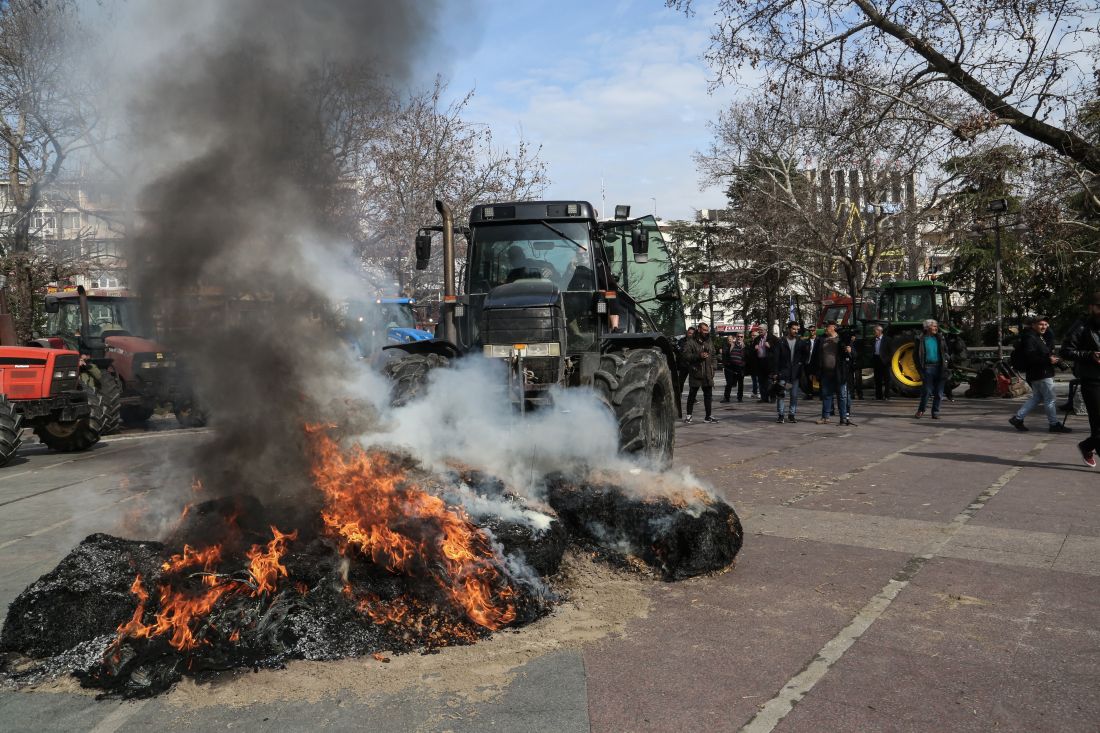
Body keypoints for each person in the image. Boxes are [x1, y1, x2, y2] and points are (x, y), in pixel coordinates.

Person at [1009, 316, 1072, 433]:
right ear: (1033, 325)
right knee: (1050, 399)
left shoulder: (1037, 337)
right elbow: (1031, 356)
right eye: (1041, 324)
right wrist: (1048, 360)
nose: (1044, 327)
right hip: (1041, 373)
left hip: (1037, 373)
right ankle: (1054, 424)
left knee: (1037, 398)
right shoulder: (1030, 338)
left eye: (1046, 324)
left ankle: (1017, 418)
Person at [1061, 292, 1100, 467]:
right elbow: (1066, 351)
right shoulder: (1082, 326)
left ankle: (1086, 445)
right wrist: (1089, 355)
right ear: (1091, 307)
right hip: (1092, 380)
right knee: (1098, 423)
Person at [810, 321, 854, 425]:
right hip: (825, 372)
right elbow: (815, 356)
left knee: (842, 396)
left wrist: (849, 350)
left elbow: (854, 354)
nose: (825, 328)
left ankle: (843, 418)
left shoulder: (842, 339)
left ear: (834, 327)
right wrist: (813, 371)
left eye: (827, 326)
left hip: (839, 372)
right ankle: (825, 417)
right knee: (826, 395)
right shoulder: (821, 340)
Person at [771, 321, 809, 423]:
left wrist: (801, 364)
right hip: (783, 373)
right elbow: (776, 358)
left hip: (795, 374)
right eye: (793, 329)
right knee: (781, 394)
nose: (795, 331)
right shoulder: (781, 341)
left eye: (797, 329)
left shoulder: (800, 342)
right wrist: (775, 372)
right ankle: (781, 415)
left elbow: (806, 354)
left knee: (794, 395)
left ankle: (792, 414)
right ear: (788, 329)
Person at [682, 322, 719, 423]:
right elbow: (686, 355)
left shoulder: (709, 341)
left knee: (708, 396)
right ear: (699, 329)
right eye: (704, 330)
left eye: (707, 330)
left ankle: (708, 416)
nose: (706, 332)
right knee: (692, 395)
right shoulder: (691, 342)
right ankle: (689, 415)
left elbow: (714, 356)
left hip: (708, 373)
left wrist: (714, 368)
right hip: (696, 372)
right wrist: (699, 355)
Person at [914, 319, 949, 419]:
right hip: (927, 368)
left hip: (940, 367)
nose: (936, 328)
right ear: (927, 328)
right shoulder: (920, 339)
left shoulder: (940, 338)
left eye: (936, 326)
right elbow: (915, 356)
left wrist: (947, 360)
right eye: (933, 326)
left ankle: (935, 412)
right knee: (927, 391)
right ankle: (921, 410)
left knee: (939, 392)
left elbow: (946, 351)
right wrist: (919, 369)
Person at [720, 333, 746, 403]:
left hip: (740, 367)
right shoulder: (731, 344)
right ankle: (726, 397)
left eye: (741, 336)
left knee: (740, 383)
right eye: (738, 336)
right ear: (736, 337)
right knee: (729, 383)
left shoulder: (745, 346)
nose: (739, 338)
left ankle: (740, 398)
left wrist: (744, 364)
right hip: (730, 367)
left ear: (743, 338)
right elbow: (724, 352)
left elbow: (746, 357)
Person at [752, 329, 775, 403]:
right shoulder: (757, 339)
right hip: (759, 362)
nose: (760, 331)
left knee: (769, 382)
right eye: (759, 330)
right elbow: (751, 350)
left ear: (765, 330)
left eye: (761, 330)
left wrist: (770, 346)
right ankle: (763, 398)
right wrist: (754, 348)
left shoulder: (772, 338)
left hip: (769, 362)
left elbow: (777, 349)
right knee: (761, 381)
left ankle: (772, 397)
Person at [675, 326, 695, 401]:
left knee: (693, 382)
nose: (690, 334)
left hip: (692, 364)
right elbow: (679, 351)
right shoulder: (681, 341)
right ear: (687, 333)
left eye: (692, 333)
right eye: (689, 333)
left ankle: (693, 397)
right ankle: (679, 395)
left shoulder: (695, 342)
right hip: (683, 365)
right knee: (680, 381)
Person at [871, 324, 889, 400]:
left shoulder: (887, 339)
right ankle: (879, 396)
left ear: (879, 331)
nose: (873, 332)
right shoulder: (873, 340)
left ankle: (887, 396)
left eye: (875, 331)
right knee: (877, 379)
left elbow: (891, 351)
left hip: (885, 361)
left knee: (887, 379)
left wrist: (888, 360)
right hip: (876, 359)